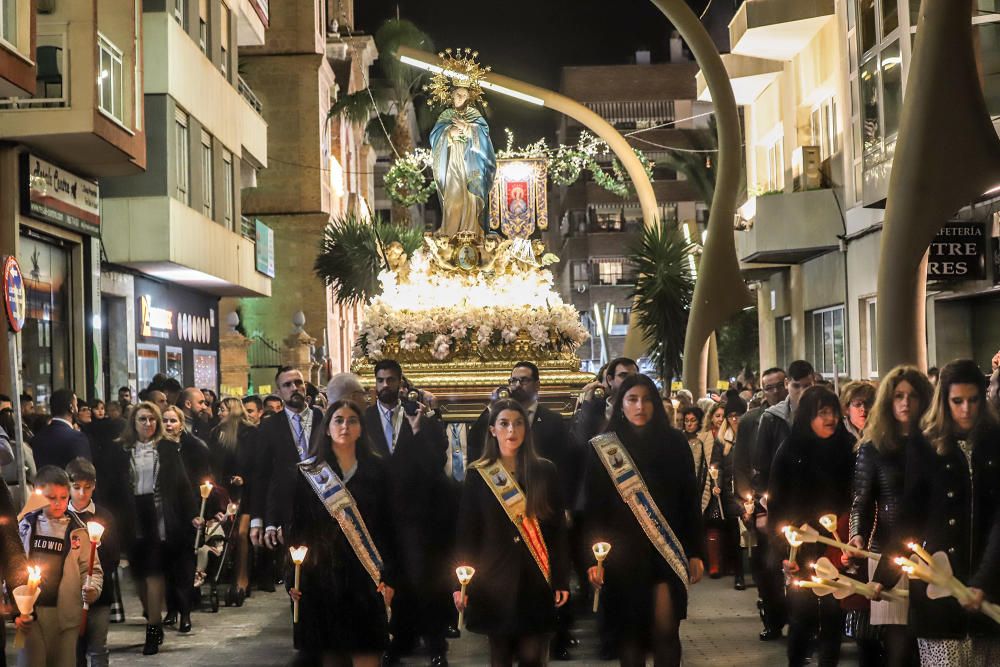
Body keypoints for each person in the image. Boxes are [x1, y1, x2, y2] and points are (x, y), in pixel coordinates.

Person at [873, 359, 1000, 666]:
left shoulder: (995, 441)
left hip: (990, 582)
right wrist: (885, 576)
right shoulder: (925, 443)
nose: (966, 409)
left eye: (973, 401)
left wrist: (984, 580)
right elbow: (911, 512)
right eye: (957, 401)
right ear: (945, 401)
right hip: (939, 584)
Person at [584, 374, 705, 667]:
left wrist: (695, 551)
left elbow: (689, 501)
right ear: (620, 404)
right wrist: (591, 557)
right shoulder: (603, 448)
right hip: (622, 554)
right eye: (632, 399)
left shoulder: (676, 443)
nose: (641, 406)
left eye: (647, 399)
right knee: (630, 637)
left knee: (666, 631)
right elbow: (593, 509)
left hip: (666, 549)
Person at [454, 399, 570, 666]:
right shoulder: (479, 474)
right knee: (501, 655)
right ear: (493, 430)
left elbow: (558, 532)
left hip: (537, 576)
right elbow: (467, 532)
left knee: (532, 656)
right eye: (504, 424)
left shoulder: (545, 470)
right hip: (494, 579)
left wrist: (562, 578)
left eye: (518, 423)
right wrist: (460, 585)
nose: (511, 430)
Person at [283, 400, 396, 666]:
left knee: (368, 654)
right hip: (321, 576)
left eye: (352, 420)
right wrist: (292, 577)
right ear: (326, 428)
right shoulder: (309, 473)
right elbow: (297, 529)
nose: (345, 426)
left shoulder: (378, 470)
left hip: (367, 577)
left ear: (361, 429)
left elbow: (390, 526)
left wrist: (392, 576)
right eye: (338, 420)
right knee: (331, 655)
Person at [363, 360, 451, 666]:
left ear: (402, 383)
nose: (385, 385)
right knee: (392, 576)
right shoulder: (365, 419)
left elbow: (437, 461)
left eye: (390, 380)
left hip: (416, 513)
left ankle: (436, 643)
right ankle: (400, 638)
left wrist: (418, 431)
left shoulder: (421, 418)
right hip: (379, 512)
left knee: (423, 577)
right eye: (380, 380)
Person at [849, 366, 933, 667]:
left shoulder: (936, 444)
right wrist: (855, 534)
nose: (905, 403)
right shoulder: (873, 446)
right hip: (885, 549)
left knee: (925, 643)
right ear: (888, 400)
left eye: (912, 396)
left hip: (930, 554)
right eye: (898, 396)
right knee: (896, 646)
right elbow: (861, 500)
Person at [767, 386, 855, 667]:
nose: (830, 419)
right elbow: (777, 504)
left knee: (833, 611)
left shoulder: (846, 446)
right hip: (799, 543)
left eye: (833, 412)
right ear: (807, 416)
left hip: (835, 542)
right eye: (822, 413)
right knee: (801, 613)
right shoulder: (790, 449)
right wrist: (783, 547)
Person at [103, 402, 195, 655]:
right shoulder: (120, 450)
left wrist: (192, 515)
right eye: (142, 419)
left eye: (152, 419)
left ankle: (153, 630)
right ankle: (151, 618)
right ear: (133, 422)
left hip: (159, 514)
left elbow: (182, 485)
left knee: (154, 570)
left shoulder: (167, 448)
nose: (148, 424)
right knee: (138, 573)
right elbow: (111, 487)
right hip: (130, 516)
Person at [17, 466, 102, 667]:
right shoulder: (25, 527)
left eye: (63, 497)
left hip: (65, 615)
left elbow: (92, 569)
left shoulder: (78, 532)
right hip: (32, 614)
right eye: (51, 497)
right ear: (38, 494)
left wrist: (93, 588)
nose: (58, 503)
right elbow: (14, 565)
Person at [66, 457, 120, 667]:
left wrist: (96, 556)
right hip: (70, 597)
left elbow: (114, 556)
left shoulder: (104, 517)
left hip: (99, 596)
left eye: (87, 488)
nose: (82, 493)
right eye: (76, 487)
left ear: (94, 486)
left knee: (98, 647)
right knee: (73, 649)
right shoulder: (61, 517)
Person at [160, 406, 209, 634]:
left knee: (185, 567)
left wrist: (199, 512)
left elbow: (202, 481)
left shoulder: (194, 447)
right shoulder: (159, 448)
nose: (169, 425)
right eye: (165, 421)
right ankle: (171, 609)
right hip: (166, 513)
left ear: (181, 423)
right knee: (167, 567)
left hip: (188, 511)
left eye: (173, 421)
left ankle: (185, 612)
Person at [207, 397, 255, 603]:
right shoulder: (215, 433)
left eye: (223, 409)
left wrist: (245, 478)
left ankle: (242, 579)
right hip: (222, 490)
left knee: (242, 534)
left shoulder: (248, 433)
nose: (219, 413)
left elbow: (256, 461)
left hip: (245, 491)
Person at [30, 390, 86, 470]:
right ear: (71, 408)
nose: (77, 408)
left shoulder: (37, 438)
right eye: (76, 405)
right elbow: (85, 474)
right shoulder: (77, 438)